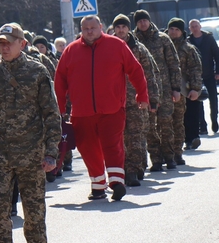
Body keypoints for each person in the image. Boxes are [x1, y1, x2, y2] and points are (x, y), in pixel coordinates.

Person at [0, 23, 61, 243]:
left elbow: (51, 113)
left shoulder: (37, 72)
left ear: (22, 44)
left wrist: (51, 152)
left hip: (31, 154)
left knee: (34, 211)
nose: (4, 47)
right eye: (1, 43)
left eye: (9, 42)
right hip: (0, 156)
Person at [55, 15, 149, 201]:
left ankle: (116, 182)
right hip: (82, 112)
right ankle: (98, 185)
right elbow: (60, 81)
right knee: (87, 148)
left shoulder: (117, 45)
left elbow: (135, 70)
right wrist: (59, 108)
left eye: (93, 27)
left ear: (101, 27)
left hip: (112, 109)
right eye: (85, 28)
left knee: (113, 146)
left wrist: (142, 95)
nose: (89, 31)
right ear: (80, 30)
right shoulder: (70, 51)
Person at [112, 15, 160, 186]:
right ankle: (123, 169)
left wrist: (152, 98)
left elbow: (150, 74)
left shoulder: (139, 49)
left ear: (128, 29)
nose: (121, 30)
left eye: (124, 27)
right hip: (114, 101)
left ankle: (134, 169)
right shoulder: (108, 47)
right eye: (118, 27)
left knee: (136, 135)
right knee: (118, 138)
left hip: (136, 101)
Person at [134, 10, 182, 171]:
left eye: (145, 20)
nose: (142, 23)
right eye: (139, 21)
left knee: (166, 123)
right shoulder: (134, 42)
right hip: (145, 90)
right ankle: (156, 159)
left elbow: (174, 65)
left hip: (165, 88)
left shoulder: (163, 39)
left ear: (149, 21)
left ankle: (170, 156)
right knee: (149, 127)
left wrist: (176, 88)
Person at [166, 18, 203, 160]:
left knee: (187, 116)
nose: (173, 32)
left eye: (177, 30)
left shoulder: (188, 49)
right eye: (171, 29)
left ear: (182, 32)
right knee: (168, 121)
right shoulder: (163, 45)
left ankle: (190, 139)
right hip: (166, 89)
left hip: (185, 89)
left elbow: (195, 69)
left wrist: (195, 88)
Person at [187, 19, 219, 134]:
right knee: (198, 101)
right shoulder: (188, 41)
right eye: (192, 26)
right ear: (190, 28)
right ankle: (202, 125)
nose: (195, 28)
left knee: (213, 99)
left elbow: (217, 56)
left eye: (196, 26)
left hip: (209, 75)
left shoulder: (209, 39)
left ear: (200, 26)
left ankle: (214, 120)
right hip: (195, 77)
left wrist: (218, 71)